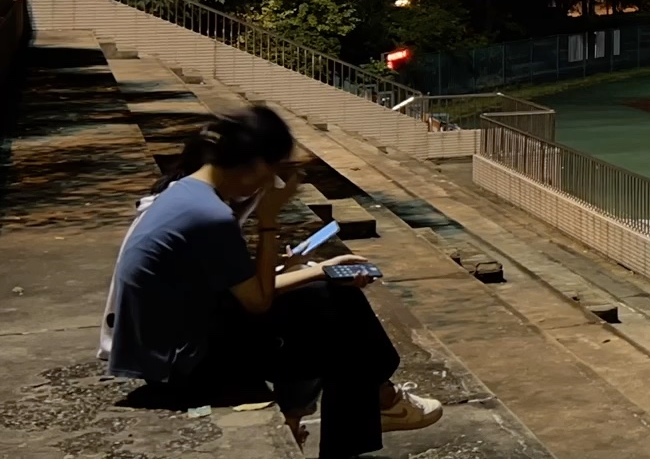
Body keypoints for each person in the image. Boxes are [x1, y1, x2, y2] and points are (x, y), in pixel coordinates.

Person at [104, 106, 442, 457]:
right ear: (250, 163)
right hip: (183, 367)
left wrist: (317, 269)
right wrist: (269, 220)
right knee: (338, 331)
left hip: (171, 348)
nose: (270, 184)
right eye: (271, 172)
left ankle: (372, 399)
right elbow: (258, 301)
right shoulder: (211, 215)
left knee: (329, 304)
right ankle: (375, 403)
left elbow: (240, 289)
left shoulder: (186, 192)